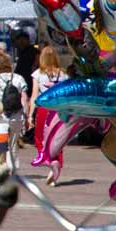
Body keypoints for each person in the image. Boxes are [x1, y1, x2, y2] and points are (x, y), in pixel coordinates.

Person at [30, 45, 68, 186]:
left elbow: (34, 95)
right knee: (58, 140)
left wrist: (29, 115)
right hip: (59, 110)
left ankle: (51, 163)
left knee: (40, 139)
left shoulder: (38, 74)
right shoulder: (63, 74)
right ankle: (55, 166)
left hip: (44, 110)